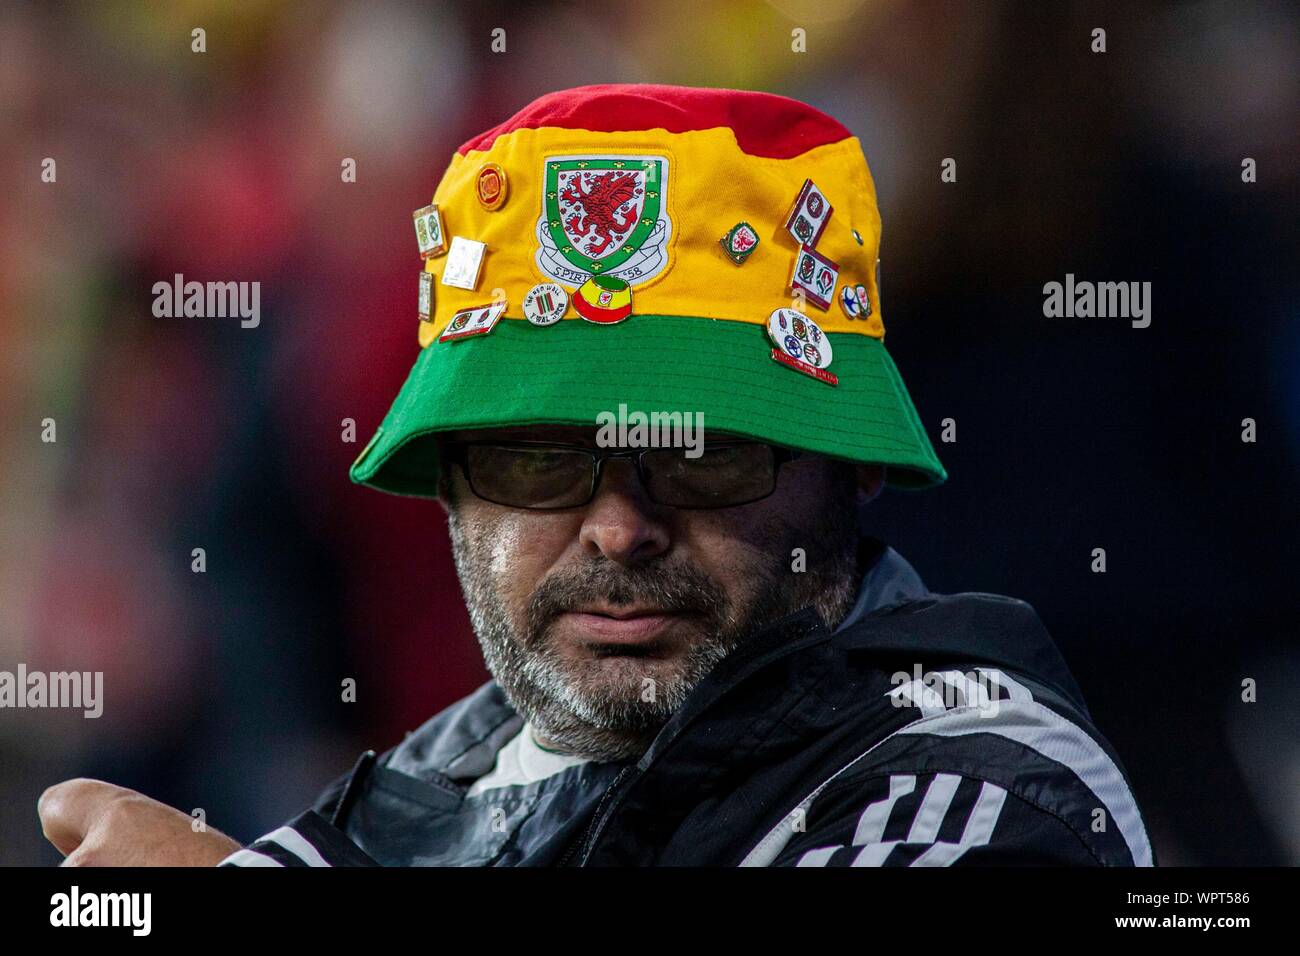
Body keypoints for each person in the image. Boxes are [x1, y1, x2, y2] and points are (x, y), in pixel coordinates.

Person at [38, 84, 1153, 867]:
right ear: (451, 491)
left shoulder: (984, 785)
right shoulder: (440, 776)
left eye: (703, 454)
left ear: (850, 470)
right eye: (537, 460)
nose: (619, 527)